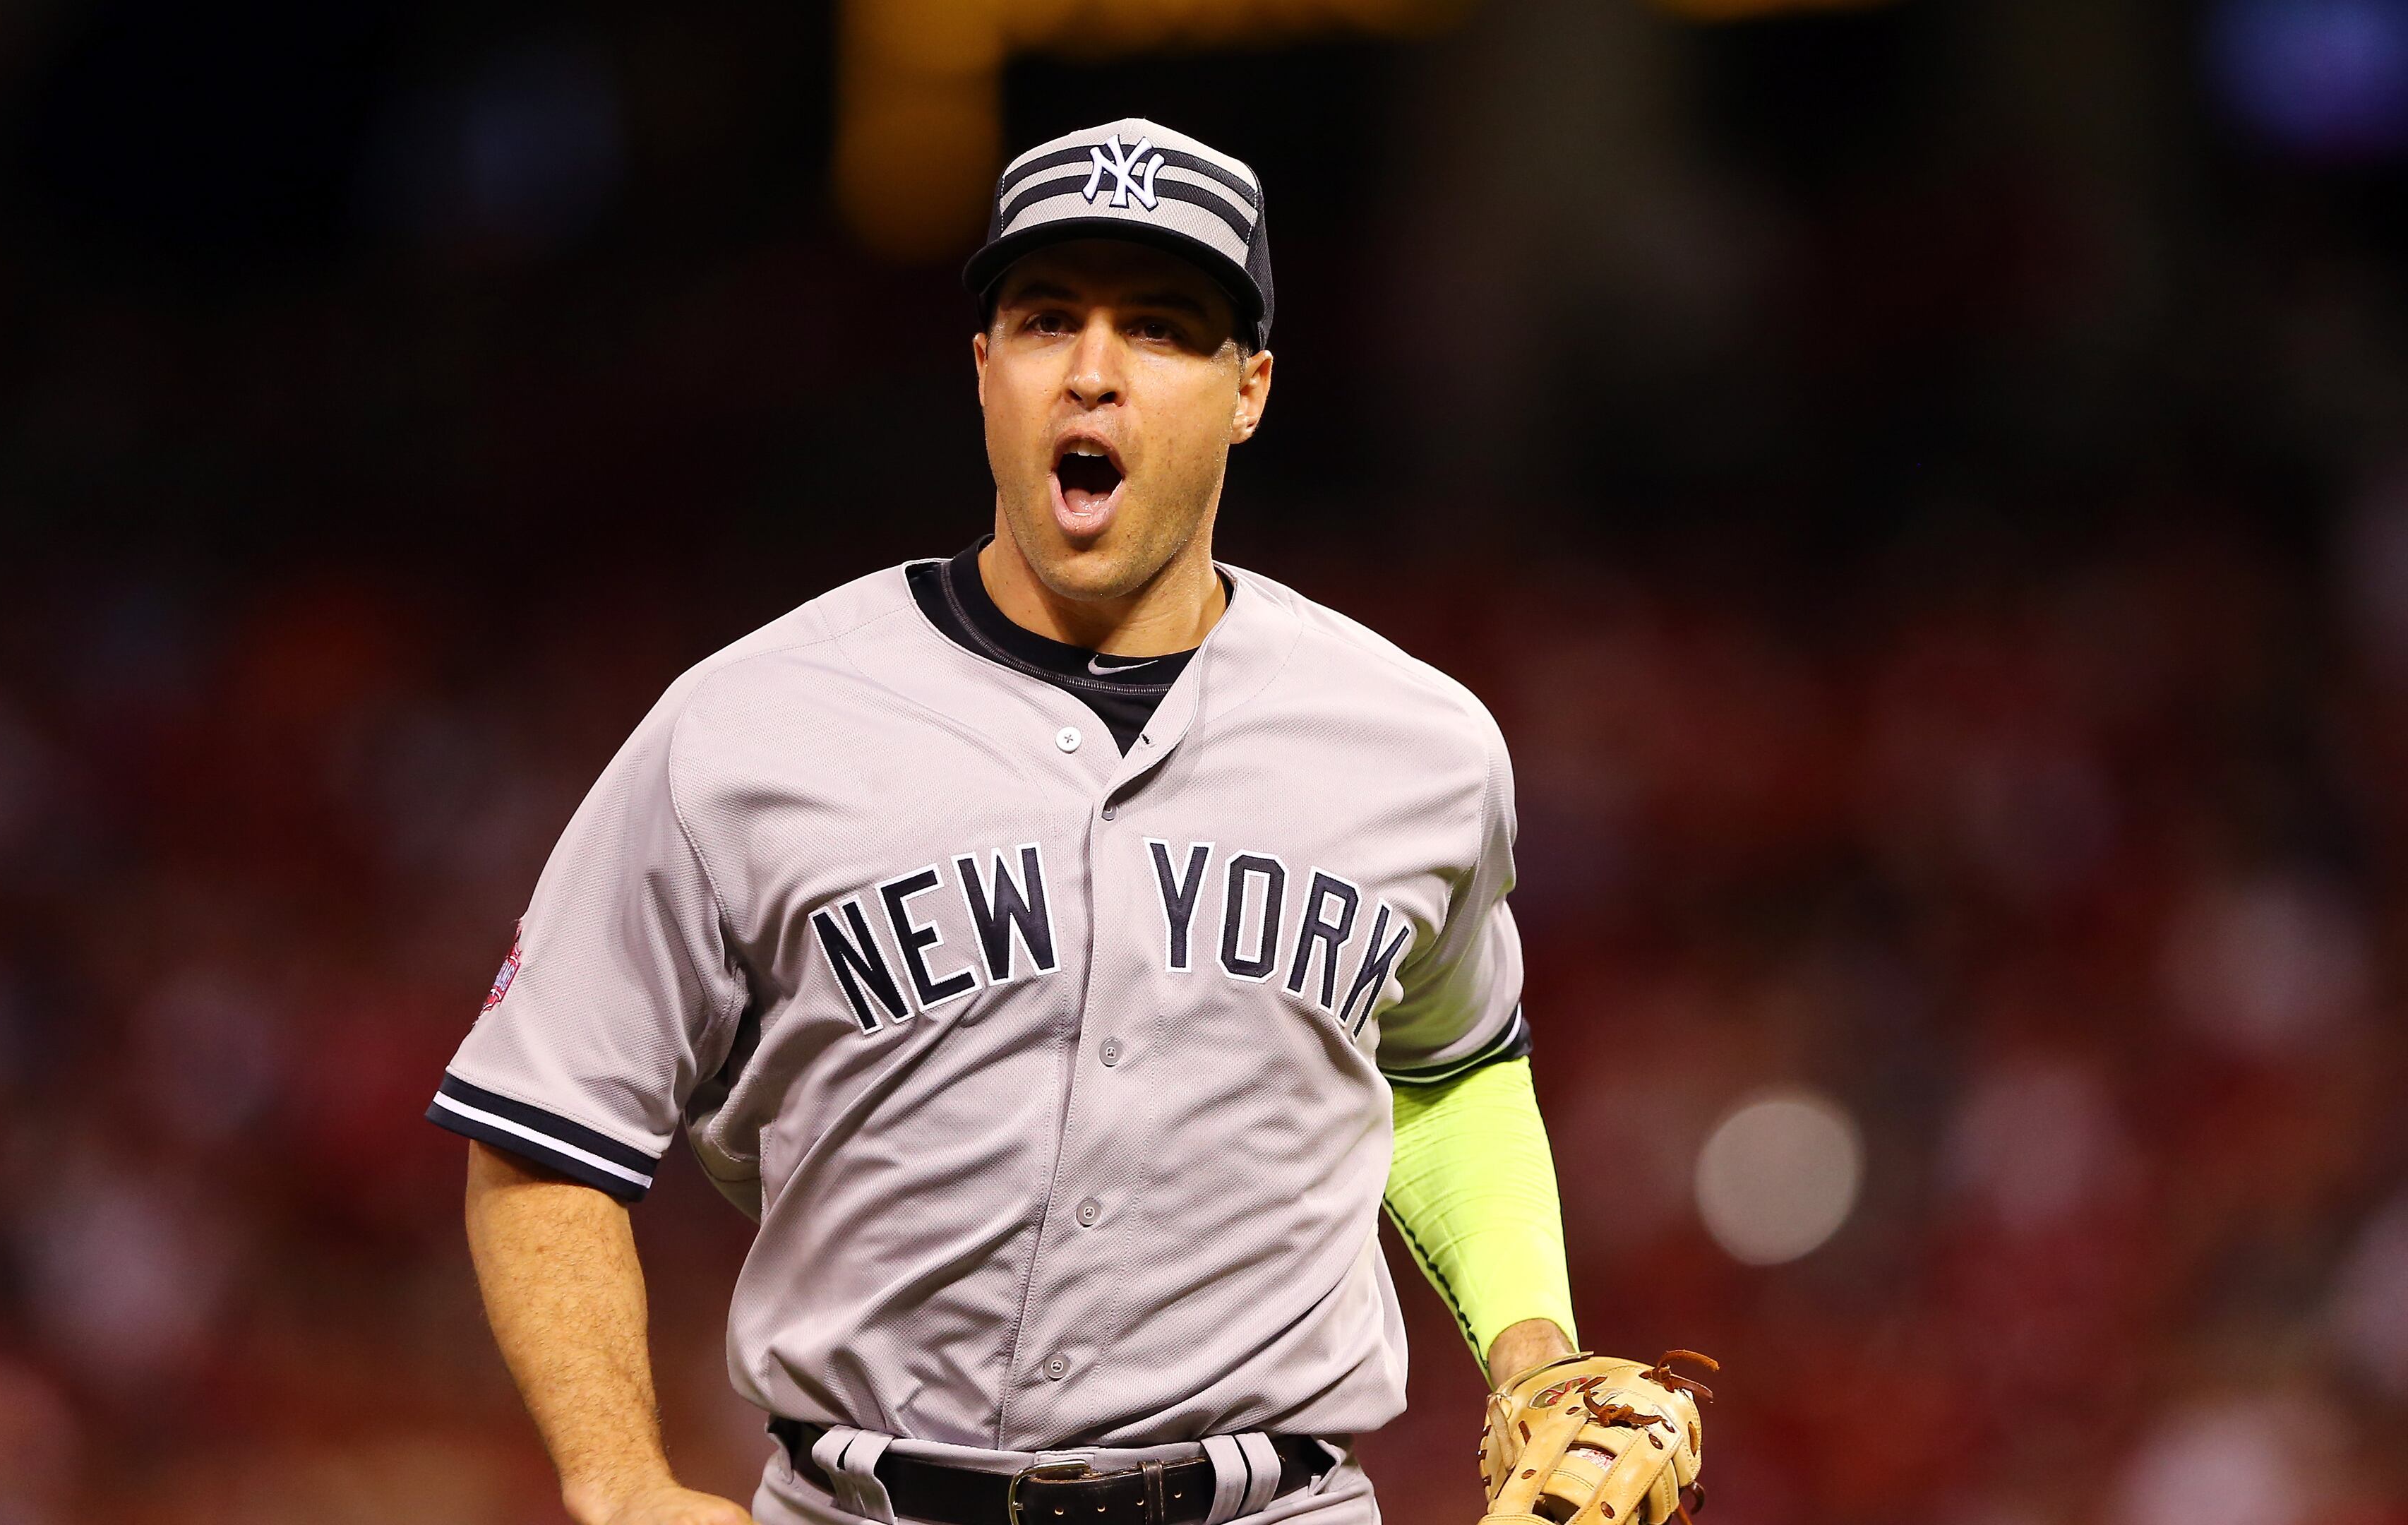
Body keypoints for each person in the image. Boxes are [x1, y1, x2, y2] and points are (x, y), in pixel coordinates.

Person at [428, 119, 1639, 1525]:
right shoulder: (744, 726)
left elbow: (1450, 1073)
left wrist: (1534, 1349)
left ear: (1249, 390)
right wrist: (618, 1480)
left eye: (1165, 329)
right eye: (1047, 317)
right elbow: (543, 1130)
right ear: (986, 369)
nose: (1096, 371)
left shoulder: (1416, 744)